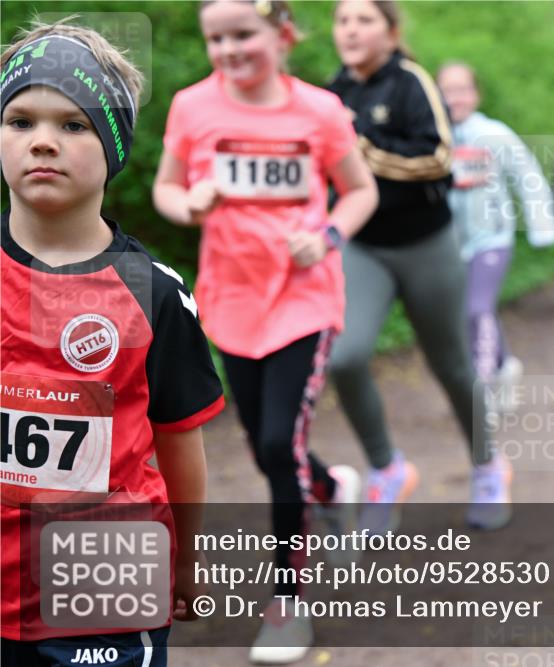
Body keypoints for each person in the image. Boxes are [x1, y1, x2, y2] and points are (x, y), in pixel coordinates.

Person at [153, 1, 378, 661]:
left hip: (304, 298)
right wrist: (187, 203)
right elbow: (169, 187)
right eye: (215, 39)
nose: (228, 50)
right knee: (266, 446)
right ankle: (334, 488)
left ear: (281, 35)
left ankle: (287, 603)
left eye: (242, 34)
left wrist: (328, 234)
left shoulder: (320, 111)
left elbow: (359, 190)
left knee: (279, 443)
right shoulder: (194, 107)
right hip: (230, 298)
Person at [1, 19, 224, 666]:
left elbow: (180, 441)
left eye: (74, 125)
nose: (44, 141)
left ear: (115, 144)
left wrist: (186, 559)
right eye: (21, 121)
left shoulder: (152, 292)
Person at [326, 0, 512, 534]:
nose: (352, 30)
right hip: (364, 246)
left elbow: (438, 157)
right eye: (343, 20)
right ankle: (387, 469)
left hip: (427, 243)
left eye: (365, 20)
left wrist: (363, 152)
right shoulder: (332, 92)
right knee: (344, 356)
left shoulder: (411, 82)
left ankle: (488, 465)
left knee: (451, 365)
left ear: (390, 30)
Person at [436, 61, 554, 395]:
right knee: (468, 314)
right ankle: (504, 365)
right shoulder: (432, 136)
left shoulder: (494, 134)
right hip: (449, 244)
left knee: (477, 310)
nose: (455, 98)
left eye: (462, 90)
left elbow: (527, 176)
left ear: (476, 94)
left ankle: (482, 390)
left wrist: (542, 225)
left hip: (492, 238)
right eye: (448, 90)